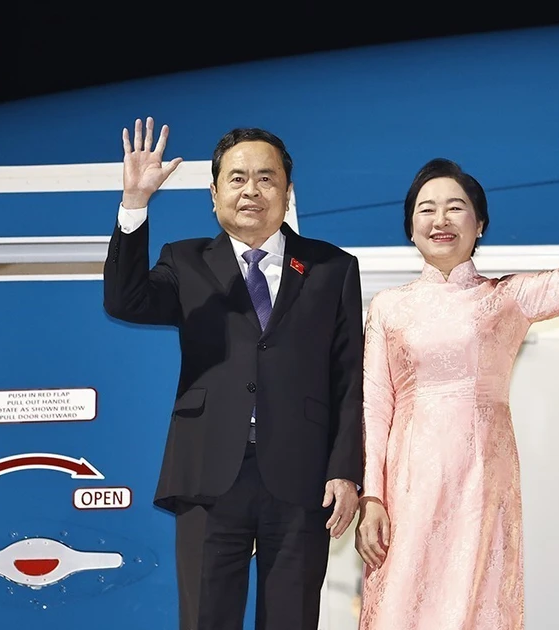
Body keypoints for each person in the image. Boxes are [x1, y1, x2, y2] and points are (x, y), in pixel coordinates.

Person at [353, 115, 559, 629]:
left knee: (474, 601)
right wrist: (372, 497)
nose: (441, 218)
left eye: (456, 207)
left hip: (483, 476)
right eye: (426, 209)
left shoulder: (505, 298)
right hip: (407, 482)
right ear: (410, 227)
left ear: (480, 224)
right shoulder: (388, 308)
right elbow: (375, 408)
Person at [103, 117, 364, 629]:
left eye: (266, 178)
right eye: (238, 178)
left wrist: (345, 469)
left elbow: (348, 378)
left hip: (303, 474)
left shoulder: (334, 267)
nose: (252, 190)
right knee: (205, 620)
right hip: (208, 475)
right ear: (214, 193)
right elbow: (125, 300)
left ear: (287, 192)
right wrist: (134, 204)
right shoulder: (186, 261)